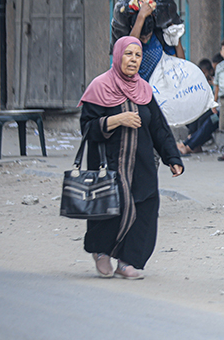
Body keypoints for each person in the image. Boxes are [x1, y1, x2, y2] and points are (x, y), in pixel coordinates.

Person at [79, 36, 184, 280]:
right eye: (128, 54)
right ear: (117, 56)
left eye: (138, 55)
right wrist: (117, 120)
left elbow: (158, 127)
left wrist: (172, 157)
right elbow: (86, 128)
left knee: (145, 208)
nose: (133, 60)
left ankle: (128, 261)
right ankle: (102, 252)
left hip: (141, 164)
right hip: (108, 164)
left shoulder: (144, 89)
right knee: (108, 208)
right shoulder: (99, 86)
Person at [129, 0, 185, 81]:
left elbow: (180, 63)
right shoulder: (128, 42)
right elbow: (129, 46)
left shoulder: (160, 37)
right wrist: (141, 17)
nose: (145, 41)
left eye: (148, 37)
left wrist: (176, 38)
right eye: (142, 38)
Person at [177, 58, 218, 155]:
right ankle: (190, 142)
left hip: (219, 112)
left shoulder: (218, 83)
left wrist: (215, 85)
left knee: (208, 121)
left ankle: (189, 145)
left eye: (205, 72)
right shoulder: (202, 83)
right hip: (210, 109)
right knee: (193, 115)